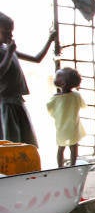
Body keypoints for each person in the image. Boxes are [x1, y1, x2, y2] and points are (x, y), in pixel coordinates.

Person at [0, 11, 56, 146]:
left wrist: (50, 40)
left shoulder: (7, 49)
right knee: (11, 143)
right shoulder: (8, 51)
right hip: (6, 104)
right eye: (6, 32)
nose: (10, 35)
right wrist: (9, 53)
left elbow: (37, 59)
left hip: (17, 102)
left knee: (25, 142)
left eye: (11, 31)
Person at [47, 67, 86, 168]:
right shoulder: (76, 95)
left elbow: (49, 109)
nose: (55, 76)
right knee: (74, 147)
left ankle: (60, 166)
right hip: (74, 127)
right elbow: (83, 106)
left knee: (61, 147)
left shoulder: (55, 99)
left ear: (62, 83)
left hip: (61, 128)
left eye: (57, 76)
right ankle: (73, 165)